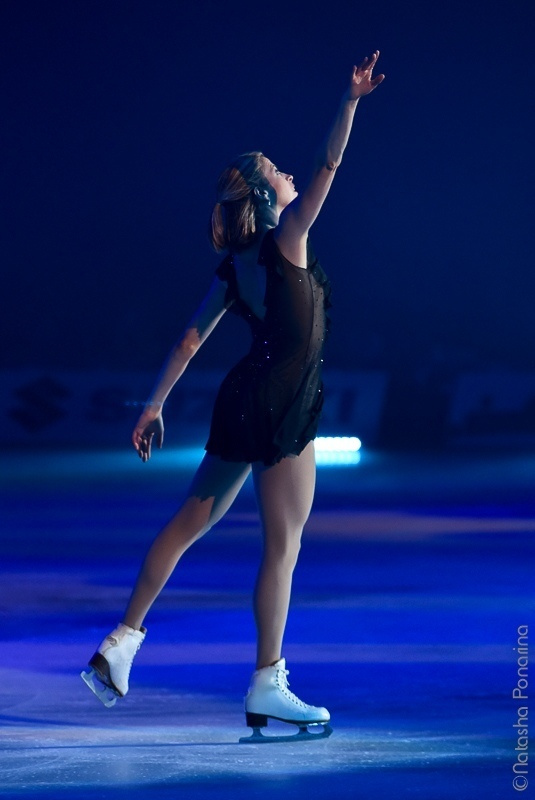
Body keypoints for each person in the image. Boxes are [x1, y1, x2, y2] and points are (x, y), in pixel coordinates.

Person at [81, 52, 384, 742]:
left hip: (243, 396)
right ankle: (267, 683)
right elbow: (327, 165)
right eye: (276, 169)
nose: (287, 172)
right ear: (268, 192)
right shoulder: (289, 237)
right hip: (282, 409)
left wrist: (151, 406)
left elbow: (190, 341)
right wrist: (350, 102)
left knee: (188, 526)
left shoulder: (237, 267)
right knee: (282, 547)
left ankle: (123, 642)